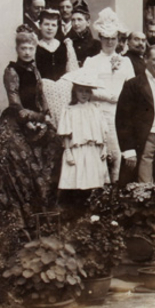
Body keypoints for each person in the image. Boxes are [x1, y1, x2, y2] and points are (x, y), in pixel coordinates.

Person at [0, 25, 61, 231]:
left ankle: (48, 211)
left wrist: (46, 116)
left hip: (37, 119)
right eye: (23, 48)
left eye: (30, 48)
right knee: (23, 164)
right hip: (17, 122)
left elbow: (41, 97)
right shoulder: (11, 71)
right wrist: (35, 119)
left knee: (56, 144)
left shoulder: (35, 70)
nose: (27, 52)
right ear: (17, 49)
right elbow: (15, 104)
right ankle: (25, 221)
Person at [80, 8, 136, 182]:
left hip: (120, 113)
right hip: (98, 111)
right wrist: (107, 96)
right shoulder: (91, 62)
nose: (110, 42)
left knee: (117, 154)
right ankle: (99, 191)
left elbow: (132, 88)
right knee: (99, 154)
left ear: (118, 39)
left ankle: (115, 191)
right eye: (106, 38)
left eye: (113, 38)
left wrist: (120, 99)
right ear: (100, 38)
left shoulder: (125, 62)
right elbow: (85, 90)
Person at [115, 44, 155, 188]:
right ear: (145, 59)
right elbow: (123, 118)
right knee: (144, 181)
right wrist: (128, 149)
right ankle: (144, 201)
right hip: (144, 139)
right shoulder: (133, 84)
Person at [56, 69, 110, 220]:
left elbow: (102, 131)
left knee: (93, 183)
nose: (84, 94)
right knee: (76, 183)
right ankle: (74, 218)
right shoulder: (69, 109)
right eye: (80, 91)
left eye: (87, 91)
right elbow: (66, 133)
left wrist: (104, 147)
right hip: (77, 151)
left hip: (93, 150)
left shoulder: (95, 108)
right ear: (75, 91)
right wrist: (68, 151)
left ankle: (91, 218)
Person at [35, 8, 76, 82]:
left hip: (63, 86)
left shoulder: (65, 46)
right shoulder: (35, 47)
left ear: (57, 27)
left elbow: (71, 73)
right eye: (46, 24)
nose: (50, 28)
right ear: (40, 26)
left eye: (53, 25)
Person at [67, 0, 100, 67]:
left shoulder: (96, 45)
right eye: (73, 20)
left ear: (88, 22)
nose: (76, 23)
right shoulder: (67, 42)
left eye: (79, 19)